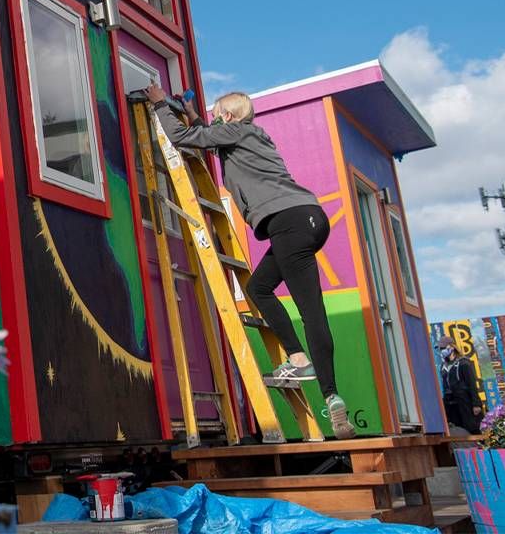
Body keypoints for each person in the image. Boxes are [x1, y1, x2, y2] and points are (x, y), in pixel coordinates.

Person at [145, 85, 355, 439]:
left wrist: (158, 105)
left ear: (227, 116)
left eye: (217, 115)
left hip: (288, 221)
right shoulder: (248, 135)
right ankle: (320, 383)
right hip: (307, 218)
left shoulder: (235, 131)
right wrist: (194, 111)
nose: (214, 121)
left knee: (310, 310)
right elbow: (208, 136)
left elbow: (181, 136)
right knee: (258, 288)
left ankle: (313, 374)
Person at [438, 335, 483, 434]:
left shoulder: (463, 363)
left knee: (472, 428)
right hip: (451, 404)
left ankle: (479, 447)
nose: (441, 350)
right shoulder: (443, 366)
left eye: (443, 348)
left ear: (452, 347)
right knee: (456, 429)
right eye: (440, 349)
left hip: (465, 401)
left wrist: (476, 404)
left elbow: (472, 384)